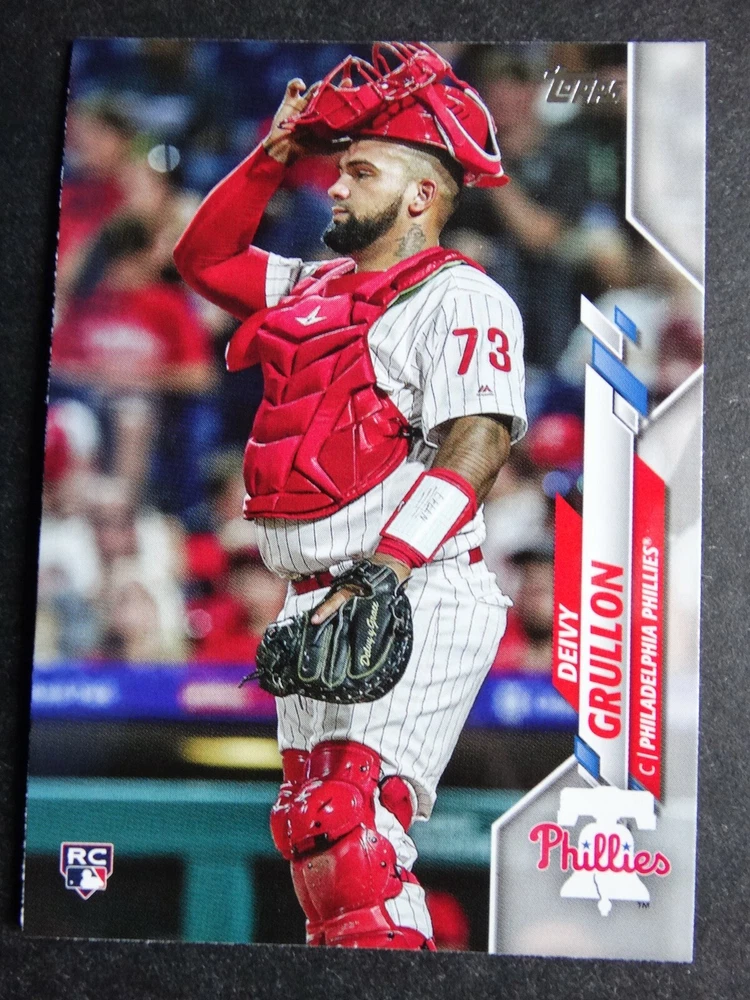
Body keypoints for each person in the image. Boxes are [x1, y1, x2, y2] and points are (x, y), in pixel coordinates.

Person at [174, 43, 528, 950]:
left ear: (421, 195)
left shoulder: (462, 296)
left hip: (411, 586)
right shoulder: (311, 283)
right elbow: (203, 257)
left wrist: (385, 570)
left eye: (361, 172)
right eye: (339, 169)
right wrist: (271, 155)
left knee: (353, 825)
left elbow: (480, 441)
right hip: (316, 596)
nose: (335, 186)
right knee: (313, 835)